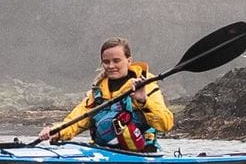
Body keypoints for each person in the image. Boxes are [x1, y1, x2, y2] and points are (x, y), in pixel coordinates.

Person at [33, 37, 175, 154]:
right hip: (103, 152)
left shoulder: (145, 84)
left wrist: (143, 101)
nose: (111, 66)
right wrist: (56, 131)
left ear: (129, 61)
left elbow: (166, 124)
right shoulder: (98, 91)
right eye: (106, 62)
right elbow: (76, 120)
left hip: (142, 154)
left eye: (116, 61)